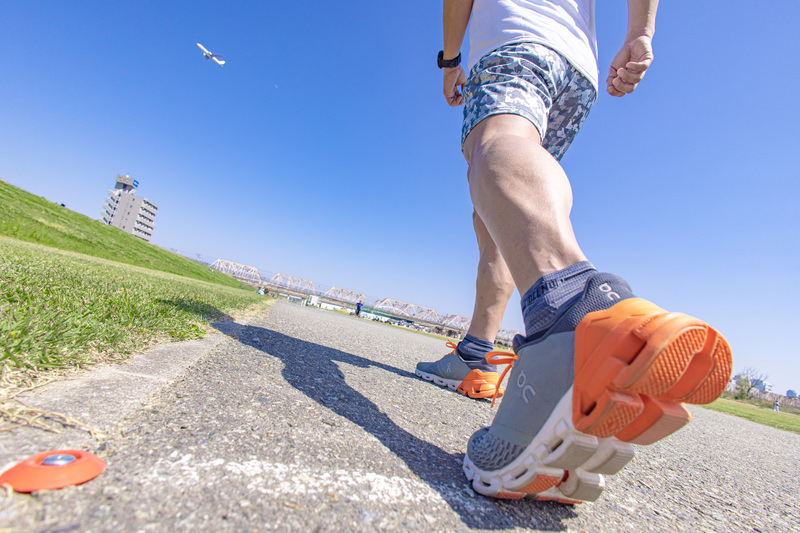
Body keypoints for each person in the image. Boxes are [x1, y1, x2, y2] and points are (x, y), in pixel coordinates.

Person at [417, 0, 733, 503]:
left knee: (493, 142)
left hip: (515, 35)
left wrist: (450, 58)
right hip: (577, 68)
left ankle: (569, 313)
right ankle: (476, 353)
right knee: (500, 217)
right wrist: (640, 33)